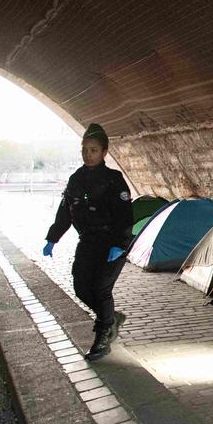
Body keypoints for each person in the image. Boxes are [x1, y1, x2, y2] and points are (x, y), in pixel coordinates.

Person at [43, 123, 132, 361]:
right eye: (85, 150)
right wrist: (53, 238)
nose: (88, 154)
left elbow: (125, 216)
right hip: (88, 242)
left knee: (101, 288)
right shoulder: (76, 179)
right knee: (81, 288)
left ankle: (103, 337)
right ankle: (110, 318)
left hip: (112, 244)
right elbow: (66, 212)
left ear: (104, 152)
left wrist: (120, 243)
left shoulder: (113, 179)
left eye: (93, 150)